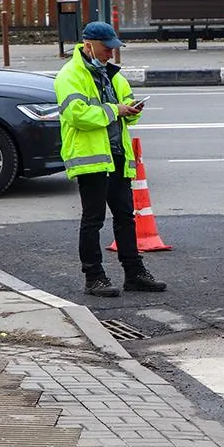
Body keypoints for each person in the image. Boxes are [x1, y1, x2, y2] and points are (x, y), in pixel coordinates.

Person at [54, 22, 167, 297]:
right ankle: (94, 277)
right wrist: (116, 109)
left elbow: (126, 106)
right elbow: (77, 115)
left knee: (126, 217)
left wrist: (133, 110)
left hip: (117, 155)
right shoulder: (69, 75)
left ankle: (134, 274)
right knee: (93, 219)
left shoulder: (113, 75)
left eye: (114, 49)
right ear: (88, 44)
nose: (111, 54)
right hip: (90, 158)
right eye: (107, 48)